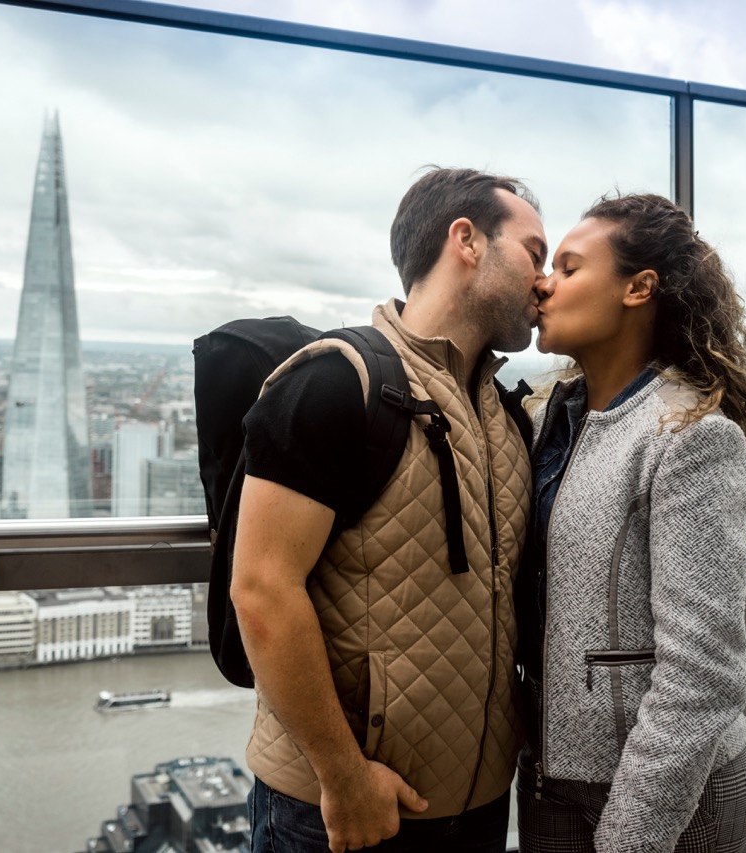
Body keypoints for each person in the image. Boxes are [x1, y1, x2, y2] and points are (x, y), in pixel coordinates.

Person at [231, 167, 548, 853]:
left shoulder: (504, 415)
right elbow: (260, 588)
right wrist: (343, 774)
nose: (544, 281)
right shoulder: (337, 381)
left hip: (478, 810)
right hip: (338, 810)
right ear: (466, 240)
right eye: (534, 253)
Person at [516, 192, 746, 853]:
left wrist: (634, 834)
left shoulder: (689, 435)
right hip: (551, 781)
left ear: (639, 288)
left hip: (670, 797)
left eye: (570, 267)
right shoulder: (548, 419)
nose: (543, 282)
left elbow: (703, 673)